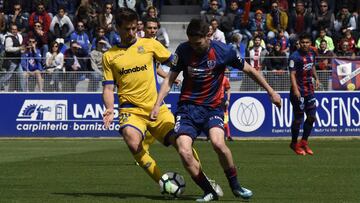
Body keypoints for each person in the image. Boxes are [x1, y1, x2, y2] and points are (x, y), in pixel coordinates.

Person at [150, 18, 281, 201]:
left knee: (218, 143)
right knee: (183, 150)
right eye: (191, 42)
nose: (194, 46)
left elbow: (250, 70)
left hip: (212, 107)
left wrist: (271, 92)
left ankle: (236, 186)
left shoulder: (224, 51)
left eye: (198, 42)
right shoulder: (184, 50)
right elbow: (170, 79)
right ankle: (209, 190)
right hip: (187, 108)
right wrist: (157, 105)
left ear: (208, 36)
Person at [102, 8, 222, 196]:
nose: (131, 33)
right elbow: (109, 88)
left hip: (156, 108)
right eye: (127, 29)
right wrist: (110, 108)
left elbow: (176, 61)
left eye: (134, 28)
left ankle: (204, 179)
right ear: (117, 28)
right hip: (130, 110)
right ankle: (164, 182)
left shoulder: (150, 45)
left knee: (182, 144)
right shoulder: (109, 56)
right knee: (132, 141)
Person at [289, 33, 320, 156]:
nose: (305, 44)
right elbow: (292, 74)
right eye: (303, 43)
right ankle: (293, 143)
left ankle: (304, 142)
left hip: (309, 90)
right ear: (299, 43)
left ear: (310, 43)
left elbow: (312, 66)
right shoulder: (294, 57)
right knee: (298, 119)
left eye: (307, 42)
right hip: (298, 91)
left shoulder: (311, 54)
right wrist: (296, 90)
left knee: (312, 117)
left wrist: (316, 78)